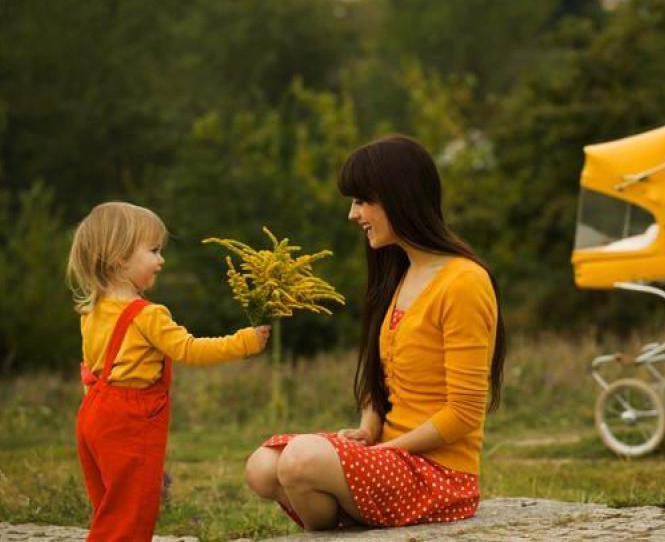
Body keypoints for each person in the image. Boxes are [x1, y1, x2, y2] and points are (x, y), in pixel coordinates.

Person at [244, 135, 506, 531]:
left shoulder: (463, 282)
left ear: (399, 198)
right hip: (391, 458)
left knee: (300, 459)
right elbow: (382, 375)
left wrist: (384, 452)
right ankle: (348, 522)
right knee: (263, 467)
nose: (353, 215)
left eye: (363, 201)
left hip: (439, 475)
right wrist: (369, 429)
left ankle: (344, 521)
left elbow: (464, 413)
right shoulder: (399, 274)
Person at [67, 202, 270, 541]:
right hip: (130, 417)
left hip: (93, 414)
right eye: (154, 250)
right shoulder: (148, 314)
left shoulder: (93, 310)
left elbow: (91, 368)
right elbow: (189, 349)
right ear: (119, 257)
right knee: (133, 508)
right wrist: (244, 342)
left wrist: (99, 411)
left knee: (109, 506)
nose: (161, 261)